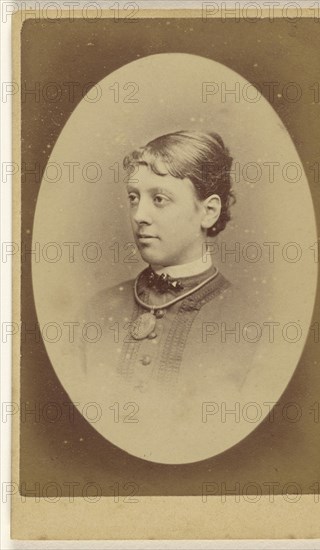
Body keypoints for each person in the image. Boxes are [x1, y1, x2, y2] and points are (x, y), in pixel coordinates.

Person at [79, 130, 253, 396]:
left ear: (208, 212)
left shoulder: (246, 322)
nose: (139, 215)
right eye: (133, 198)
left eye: (159, 199)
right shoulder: (98, 311)